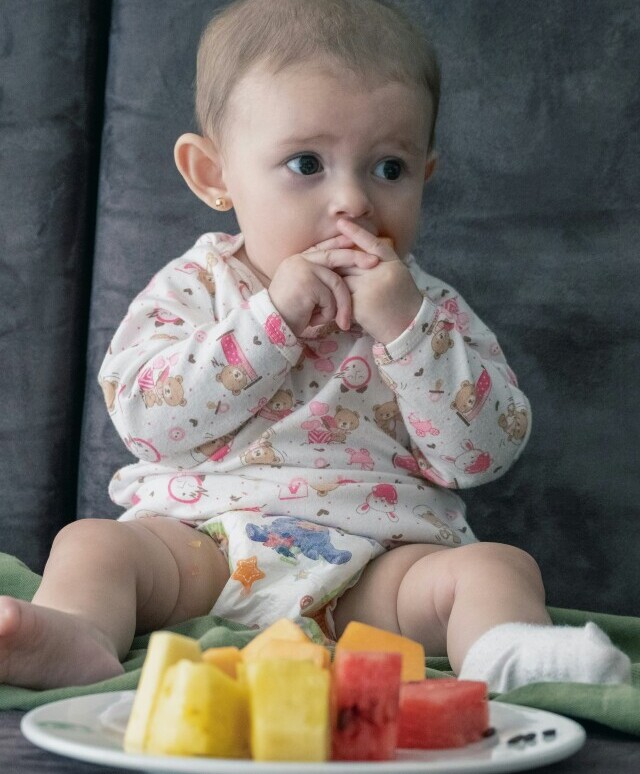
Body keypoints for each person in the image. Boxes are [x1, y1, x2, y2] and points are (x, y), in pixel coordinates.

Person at [0, 0, 630, 692]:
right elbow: (146, 420)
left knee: (499, 568)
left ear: (426, 174)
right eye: (307, 163)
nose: (354, 201)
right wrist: (270, 322)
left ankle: (507, 657)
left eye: (389, 168)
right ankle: (78, 636)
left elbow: (482, 453)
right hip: (203, 544)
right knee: (92, 545)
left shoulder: (429, 309)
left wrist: (406, 329)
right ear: (214, 174)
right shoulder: (199, 285)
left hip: (379, 563)